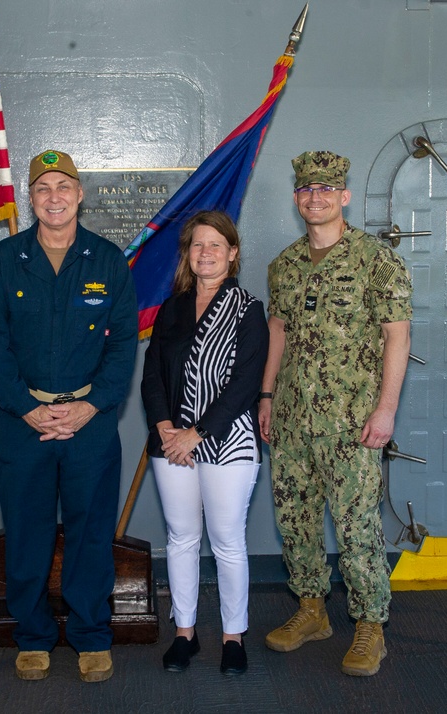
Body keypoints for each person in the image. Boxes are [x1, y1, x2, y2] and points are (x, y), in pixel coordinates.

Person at [0, 150, 137, 683]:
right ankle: (33, 636)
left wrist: (90, 407)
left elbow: (122, 351)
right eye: (42, 187)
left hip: (89, 424)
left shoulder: (108, 260)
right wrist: (28, 409)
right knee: (27, 532)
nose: (53, 197)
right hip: (23, 426)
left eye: (63, 186)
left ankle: (92, 635)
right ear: (31, 197)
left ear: (80, 193)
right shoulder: (3, 260)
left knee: (92, 533)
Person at [257, 151, 412, 677]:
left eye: (325, 189)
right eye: (305, 190)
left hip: (353, 422)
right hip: (294, 419)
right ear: (296, 198)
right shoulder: (285, 265)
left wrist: (386, 410)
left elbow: (398, 336)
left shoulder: (376, 259)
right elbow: (278, 332)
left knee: (356, 525)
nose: (315, 197)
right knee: (295, 519)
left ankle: (370, 624)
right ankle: (311, 610)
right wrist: (267, 397)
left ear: (343, 196)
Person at [140, 211, 268, 676]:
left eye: (216, 245)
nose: (206, 252)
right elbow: (152, 372)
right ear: (187, 254)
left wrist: (198, 432)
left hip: (227, 443)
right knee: (181, 538)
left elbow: (245, 383)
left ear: (232, 253)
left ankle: (234, 636)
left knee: (228, 541)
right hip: (171, 442)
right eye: (198, 245)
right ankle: (185, 633)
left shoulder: (248, 308)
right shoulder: (171, 308)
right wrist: (164, 426)